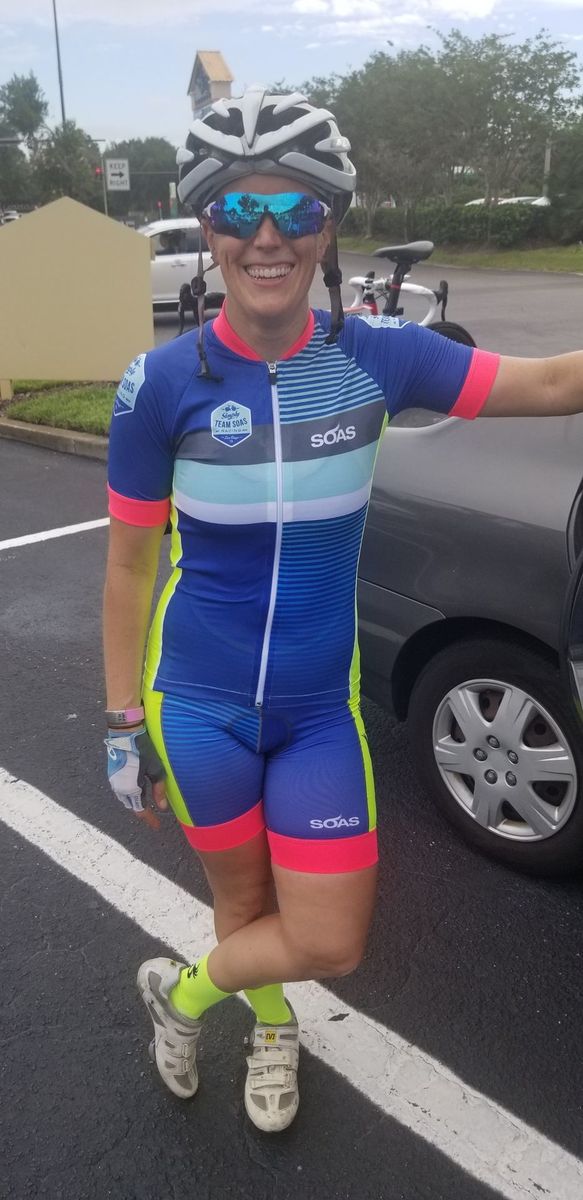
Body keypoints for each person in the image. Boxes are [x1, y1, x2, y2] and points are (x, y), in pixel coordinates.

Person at [103, 86, 583, 1133]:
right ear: (208, 231)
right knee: (242, 907)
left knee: (330, 937)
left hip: (320, 712)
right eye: (238, 210)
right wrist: (121, 723)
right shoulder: (159, 385)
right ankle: (273, 1029)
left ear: (328, 227)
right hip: (197, 702)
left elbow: (552, 384)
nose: (266, 236)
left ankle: (180, 993)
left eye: (295, 209)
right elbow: (130, 566)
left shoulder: (377, 357)